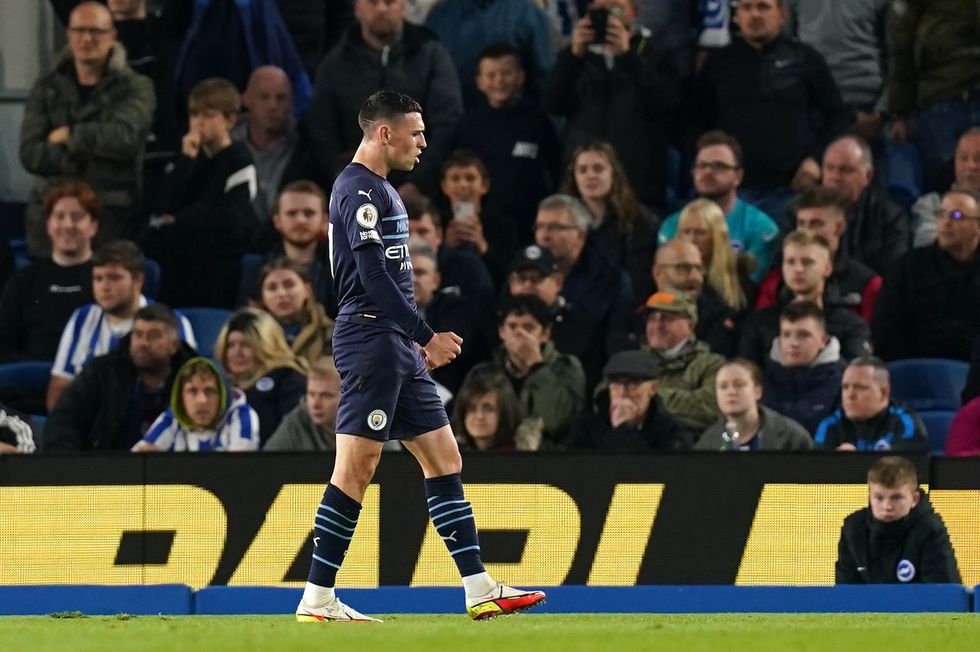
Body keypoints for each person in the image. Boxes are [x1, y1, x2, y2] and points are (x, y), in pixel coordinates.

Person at [295, 90, 545, 622]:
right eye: (417, 132)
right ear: (385, 133)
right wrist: (424, 334)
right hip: (372, 339)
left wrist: (410, 339)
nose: (424, 143)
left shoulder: (380, 189)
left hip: (393, 343)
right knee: (356, 469)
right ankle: (316, 597)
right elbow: (371, 276)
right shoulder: (358, 188)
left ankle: (479, 587)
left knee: (444, 459)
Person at [690, 0, 849, 221]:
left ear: (782, 14)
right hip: (732, 194)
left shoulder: (805, 58)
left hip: (791, 191)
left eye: (763, 7)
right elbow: (694, 120)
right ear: (736, 16)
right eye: (746, 8)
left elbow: (838, 116)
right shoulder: (718, 63)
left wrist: (816, 159)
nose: (754, 15)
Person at [19, 1, 154, 256]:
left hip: (111, 218)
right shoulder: (46, 87)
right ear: (69, 34)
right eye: (79, 31)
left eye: (96, 31)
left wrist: (69, 136)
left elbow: (124, 140)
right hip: (49, 224)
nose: (87, 39)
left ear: (112, 36)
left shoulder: (136, 87)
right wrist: (92, 153)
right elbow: (31, 154)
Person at [308, 0, 463, 195]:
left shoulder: (431, 55)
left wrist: (417, 184)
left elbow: (447, 122)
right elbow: (322, 130)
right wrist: (347, 180)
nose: (381, 9)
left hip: (421, 192)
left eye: (389, 1)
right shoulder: (334, 64)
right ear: (357, 7)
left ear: (403, 6)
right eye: (372, 2)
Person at [544, 0, 678, 209]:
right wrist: (573, 57)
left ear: (634, 13)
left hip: (638, 182)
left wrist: (627, 57)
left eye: (615, 9)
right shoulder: (575, 58)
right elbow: (553, 104)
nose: (608, 16)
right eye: (600, 10)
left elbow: (667, 103)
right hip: (583, 184)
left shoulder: (656, 54)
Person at [141, 77, 258, 309]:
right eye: (194, 115)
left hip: (219, 266)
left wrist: (180, 220)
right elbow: (164, 205)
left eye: (208, 115)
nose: (198, 123)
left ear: (230, 120)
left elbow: (233, 220)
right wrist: (186, 161)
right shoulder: (186, 157)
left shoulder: (239, 160)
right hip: (180, 261)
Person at [47, 240, 196, 412]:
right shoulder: (81, 318)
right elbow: (59, 388)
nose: (104, 287)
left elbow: (190, 391)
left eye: (114, 278)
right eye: (98, 278)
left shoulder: (174, 322)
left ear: (138, 280)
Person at [44, 303, 197, 451]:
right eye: (138, 334)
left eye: (153, 336)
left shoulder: (194, 379)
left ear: (174, 346)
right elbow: (64, 420)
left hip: (176, 466)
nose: (143, 343)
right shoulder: (102, 372)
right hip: (108, 465)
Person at [451, 43, 560, 236]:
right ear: (479, 81)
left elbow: (556, 167)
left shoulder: (538, 121)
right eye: (491, 75)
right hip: (482, 224)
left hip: (530, 223)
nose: (499, 80)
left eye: (506, 73)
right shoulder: (468, 125)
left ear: (520, 77)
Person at [532, 194, 634, 393]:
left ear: (580, 234)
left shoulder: (608, 279)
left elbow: (607, 341)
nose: (544, 236)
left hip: (588, 379)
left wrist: (555, 305)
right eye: (539, 227)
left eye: (554, 227)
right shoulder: (525, 273)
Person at [872, 188, 980, 362]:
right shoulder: (908, 267)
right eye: (941, 214)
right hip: (912, 365)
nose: (946, 222)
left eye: (957, 215)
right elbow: (886, 328)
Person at [658, 131, 779, 283]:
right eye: (702, 165)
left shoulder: (762, 228)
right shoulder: (671, 225)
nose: (708, 172)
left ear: (738, 176)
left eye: (719, 166)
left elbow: (750, 283)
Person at [466, 294, 586, 448]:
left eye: (528, 327)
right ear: (501, 332)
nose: (519, 333)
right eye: (512, 326)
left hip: (548, 455)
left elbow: (559, 421)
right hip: (493, 455)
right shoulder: (483, 373)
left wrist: (536, 365)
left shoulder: (566, 367)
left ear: (545, 333)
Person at [886, 1, 980, 194]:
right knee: (942, 189)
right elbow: (902, 47)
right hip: (939, 101)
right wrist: (900, 111)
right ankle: (952, 213)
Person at [739, 231, 870, 366]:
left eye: (807, 262)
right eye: (790, 262)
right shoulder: (759, 322)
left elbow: (856, 373)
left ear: (827, 267)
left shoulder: (852, 325)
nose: (798, 269)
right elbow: (747, 372)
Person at [0, 182, 97, 364]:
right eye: (59, 216)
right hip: (31, 376)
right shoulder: (24, 279)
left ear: (93, 226)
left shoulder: (107, 279)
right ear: (48, 225)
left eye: (77, 217)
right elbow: (4, 342)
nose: (68, 225)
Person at [756, 185, 882, 323]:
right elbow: (761, 326)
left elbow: (871, 333)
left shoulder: (866, 283)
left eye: (816, 224)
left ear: (839, 227)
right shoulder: (778, 278)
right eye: (801, 223)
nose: (806, 231)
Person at [561, 141, 660, 304]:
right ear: (574, 177)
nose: (590, 176)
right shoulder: (561, 220)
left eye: (598, 169)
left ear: (613, 174)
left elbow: (639, 280)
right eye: (582, 170)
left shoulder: (640, 221)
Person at [836, 456, 960, 584]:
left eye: (896, 498)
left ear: (914, 499)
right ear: (870, 496)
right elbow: (845, 590)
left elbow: (942, 591)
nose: (887, 506)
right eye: (879, 498)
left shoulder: (930, 529)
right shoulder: (853, 528)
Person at [231, 66, 320, 229]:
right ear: (245, 99)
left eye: (281, 98)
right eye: (264, 97)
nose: (273, 105)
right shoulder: (227, 147)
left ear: (292, 102)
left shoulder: (307, 149)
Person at [425, 0, 554, 107]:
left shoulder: (527, 14)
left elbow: (545, 81)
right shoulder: (439, 15)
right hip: (448, 124)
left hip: (512, 122)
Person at [238, 180, 337, 315]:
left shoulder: (345, 267)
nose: (301, 220)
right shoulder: (256, 273)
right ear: (277, 221)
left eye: (309, 213)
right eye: (291, 213)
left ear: (324, 219)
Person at [214, 308, 307, 446]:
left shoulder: (289, 380)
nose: (237, 353)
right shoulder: (217, 386)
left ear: (266, 347)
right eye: (230, 345)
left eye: (246, 345)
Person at [564, 349, 690, 451]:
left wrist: (624, 429)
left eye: (632, 385)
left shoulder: (671, 432)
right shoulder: (586, 428)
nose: (622, 394)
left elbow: (650, 471)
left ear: (653, 388)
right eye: (616, 384)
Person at [820, 135, 909, 275]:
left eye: (846, 170)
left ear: (868, 176)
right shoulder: (800, 211)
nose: (835, 177)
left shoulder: (891, 218)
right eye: (829, 168)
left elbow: (894, 274)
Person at [639, 290, 724, 433]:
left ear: (690, 325)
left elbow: (709, 409)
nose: (657, 325)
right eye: (652, 318)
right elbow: (606, 397)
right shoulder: (633, 361)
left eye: (667, 318)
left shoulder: (713, 364)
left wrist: (644, 396)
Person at [133, 356, 259, 452]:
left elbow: (240, 468)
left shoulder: (241, 415)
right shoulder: (172, 418)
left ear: (223, 395)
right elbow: (138, 461)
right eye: (192, 391)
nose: (201, 400)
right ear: (181, 397)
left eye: (209, 391)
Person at [760, 301, 844, 435]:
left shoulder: (843, 384)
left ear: (823, 340)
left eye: (804, 335)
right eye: (786, 335)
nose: (793, 343)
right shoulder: (761, 382)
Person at [814, 356, 928, 452]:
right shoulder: (829, 425)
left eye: (860, 387)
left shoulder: (905, 423)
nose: (850, 395)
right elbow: (818, 468)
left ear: (883, 392)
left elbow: (905, 467)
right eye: (845, 387)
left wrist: (851, 462)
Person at [438, 149, 517, 287]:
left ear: (484, 185)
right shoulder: (436, 223)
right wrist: (446, 247)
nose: (463, 185)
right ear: (444, 186)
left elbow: (508, 276)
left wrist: (483, 247)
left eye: (470, 178)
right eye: (455, 178)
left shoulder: (503, 227)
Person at [696, 358, 813, 451]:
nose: (731, 392)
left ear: (757, 392)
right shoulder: (708, 442)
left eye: (739, 385)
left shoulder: (792, 437)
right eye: (723, 386)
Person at [410, 239, 478, 396]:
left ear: (436, 281)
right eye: (407, 273)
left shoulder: (454, 308)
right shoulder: (382, 311)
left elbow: (450, 350)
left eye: (419, 273)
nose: (413, 279)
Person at [651, 240, 740, 357]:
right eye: (683, 268)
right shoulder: (637, 314)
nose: (695, 277)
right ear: (658, 273)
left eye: (699, 269)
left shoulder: (720, 317)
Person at [254, 258, 334, 366]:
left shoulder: (332, 335)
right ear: (262, 297)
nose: (281, 293)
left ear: (307, 290)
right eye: (272, 288)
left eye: (289, 285)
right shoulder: (253, 340)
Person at [674, 199, 749, 311]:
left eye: (700, 233)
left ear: (717, 236)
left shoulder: (738, 272)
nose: (691, 239)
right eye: (686, 232)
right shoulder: (668, 269)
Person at [912, 127, 980, 248]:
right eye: (963, 158)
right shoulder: (930, 205)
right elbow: (926, 242)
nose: (971, 166)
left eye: (978, 159)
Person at [450, 369, 542, 453]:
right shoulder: (451, 455)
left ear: (505, 413)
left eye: (489, 409)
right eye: (472, 409)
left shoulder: (522, 455)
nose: (479, 416)